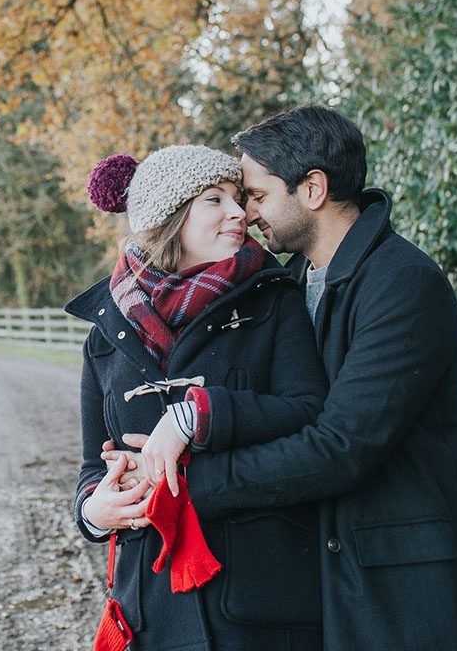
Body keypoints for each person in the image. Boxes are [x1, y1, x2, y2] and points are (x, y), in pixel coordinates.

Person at [113, 106, 457, 651]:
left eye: (258, 195)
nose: (246, 213)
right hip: (326, 574)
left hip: (403, 578)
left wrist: (186, 485)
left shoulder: (403, 283)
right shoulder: (287, 282)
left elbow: (341, 444)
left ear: (312, 188)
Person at [65, 145, 331, 651]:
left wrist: (197, 417)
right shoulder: (106, 332)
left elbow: (309, 411)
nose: (240, 212)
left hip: (261, 603)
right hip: (150, 609)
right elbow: (90, 468)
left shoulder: (274, 300)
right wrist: (94, 514)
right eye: (215, 199)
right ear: (169, 216)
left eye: (238, 197)